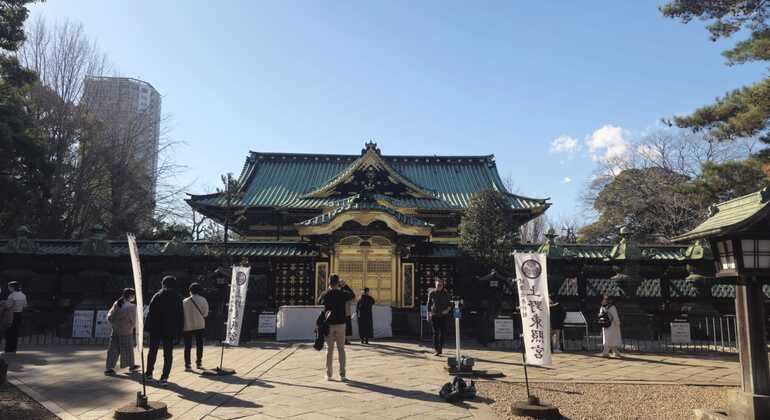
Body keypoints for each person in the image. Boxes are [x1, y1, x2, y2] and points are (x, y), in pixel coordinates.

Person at [145, 275, 184, 386]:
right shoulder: (178, 297)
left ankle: (149, 374)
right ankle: (164, 378)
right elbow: (180, 316)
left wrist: (147, 328)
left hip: (156, 328)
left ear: (163, 284)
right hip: (170, 329)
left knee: (152, 351)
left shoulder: (157, 296)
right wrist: (179, 332)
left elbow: (150, 313)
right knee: (168, 354)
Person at [318, 274, 354, 381]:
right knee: (341, 349)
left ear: (329, 282)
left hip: (329, 325)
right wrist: (345, 285)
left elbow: (318, 300)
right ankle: (342, 374)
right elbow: (352, 295)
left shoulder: (325, 293)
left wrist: (328, 290)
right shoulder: (342, 293)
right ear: (338, 283)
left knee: (329, 350)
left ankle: (329, 374)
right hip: (341, 324)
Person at [105, 288, 140, 375]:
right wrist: (132, 327)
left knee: (113, 349)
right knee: (128, 349)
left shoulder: (117, 303)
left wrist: (116, 324)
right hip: (126, 331)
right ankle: (131, 365)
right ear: (130, 296)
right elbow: (133, 321)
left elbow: (110, 317)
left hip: (116, 330)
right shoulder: (132, 307)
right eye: (133, 296)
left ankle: (109, 368)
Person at [182, 282, 209, 371]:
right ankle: (199, 363)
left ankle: (187, 365)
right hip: (200, 325)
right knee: (199, 344)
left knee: (187, 346)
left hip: (187, 325)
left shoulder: (184, 301)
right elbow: (205, 314)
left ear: (190, 291)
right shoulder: (203, 300)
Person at [427, 278, 451, 356]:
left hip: (443, 315)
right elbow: (429, 304)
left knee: (443, 333)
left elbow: (450, 304)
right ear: (435, 285)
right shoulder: (432, 293)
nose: (439, 286)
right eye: (438, 285)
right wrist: (428, 314)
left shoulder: (446, 293)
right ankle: (437, 349)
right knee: (436, 333)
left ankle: (440, 348)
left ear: (443, 285)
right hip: (434, 315)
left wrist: (447, 310)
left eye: (440, 285)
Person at [4, 281, 27, 354]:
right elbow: (25, 305)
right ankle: (14, 348)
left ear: (12, 287)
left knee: (9, 332)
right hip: (19, 314)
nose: (8, 288)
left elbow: (8, 306)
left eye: (9, 287)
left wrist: (3, 303)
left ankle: (8, 348)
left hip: (11, 314)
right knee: (16, 332)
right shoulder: (23, 295)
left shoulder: (11, 295)